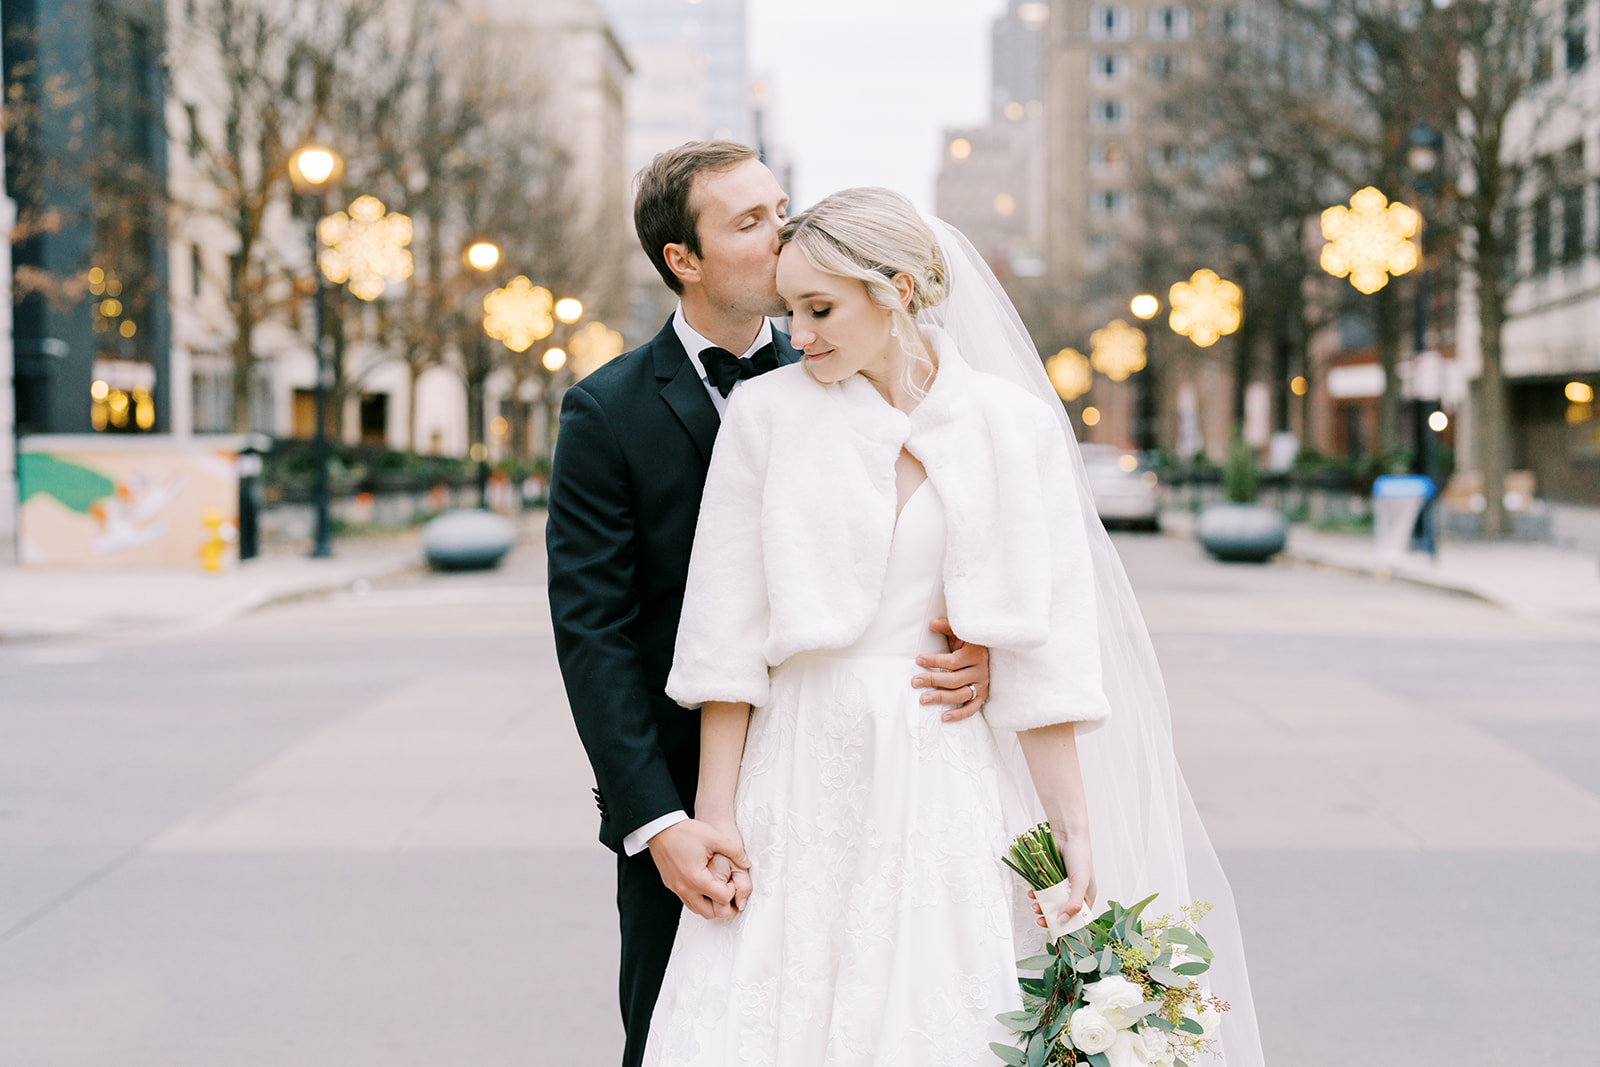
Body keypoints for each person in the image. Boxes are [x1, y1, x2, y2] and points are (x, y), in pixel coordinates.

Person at [643, 188, 1264, 1066]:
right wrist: (717, 814)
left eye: (821, 309)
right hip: (802, 766)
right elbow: (723, 633)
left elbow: (1043, 644)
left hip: (950, 765)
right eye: (791, 311)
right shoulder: (768, 413)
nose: (801, 334)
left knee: (947, 1013)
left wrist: (1074, 830)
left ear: (896, 290)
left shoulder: (1013, 426)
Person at [545, 143, 995, 1067]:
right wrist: (660, 824)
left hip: (862, 777)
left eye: (781, 208)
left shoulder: (850, 360)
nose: (784, 232)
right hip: (692, 810)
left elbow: (952, 530)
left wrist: (980, 642)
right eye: (750, 222)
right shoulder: (607, 412)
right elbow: (594, 634)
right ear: (685, 259)